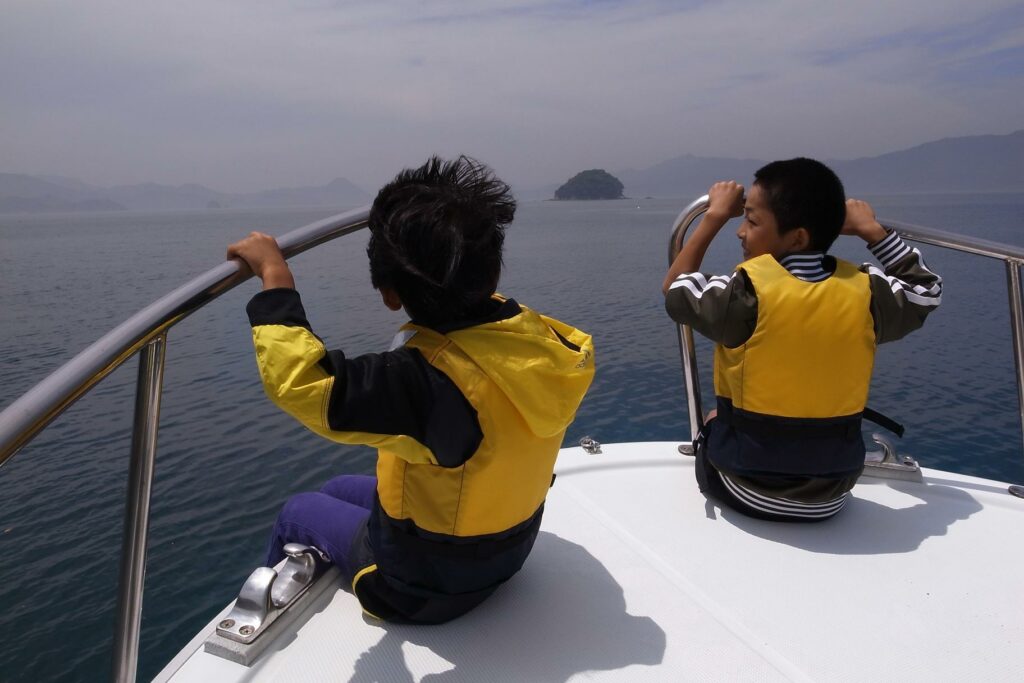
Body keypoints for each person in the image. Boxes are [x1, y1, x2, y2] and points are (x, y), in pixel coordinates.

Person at [227, 155, 595, 623]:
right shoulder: (546, 343)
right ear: (493, 275)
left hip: (424, 587)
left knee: (298, 510)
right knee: (338, 486)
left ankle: (255, 627)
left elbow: (305, 383)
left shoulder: (428, 383)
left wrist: (274, 279)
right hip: (508, 551)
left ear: (388, 294)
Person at [662, 158, 941, 522]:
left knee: (714, 416)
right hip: (833, 493)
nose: (741, 231)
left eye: (751, 219)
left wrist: (713, 216)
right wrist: (873, 232)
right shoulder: (867, 292)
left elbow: (674, 288)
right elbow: (925, 290)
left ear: (798, 237)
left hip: (748, 488)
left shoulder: (743, 295)